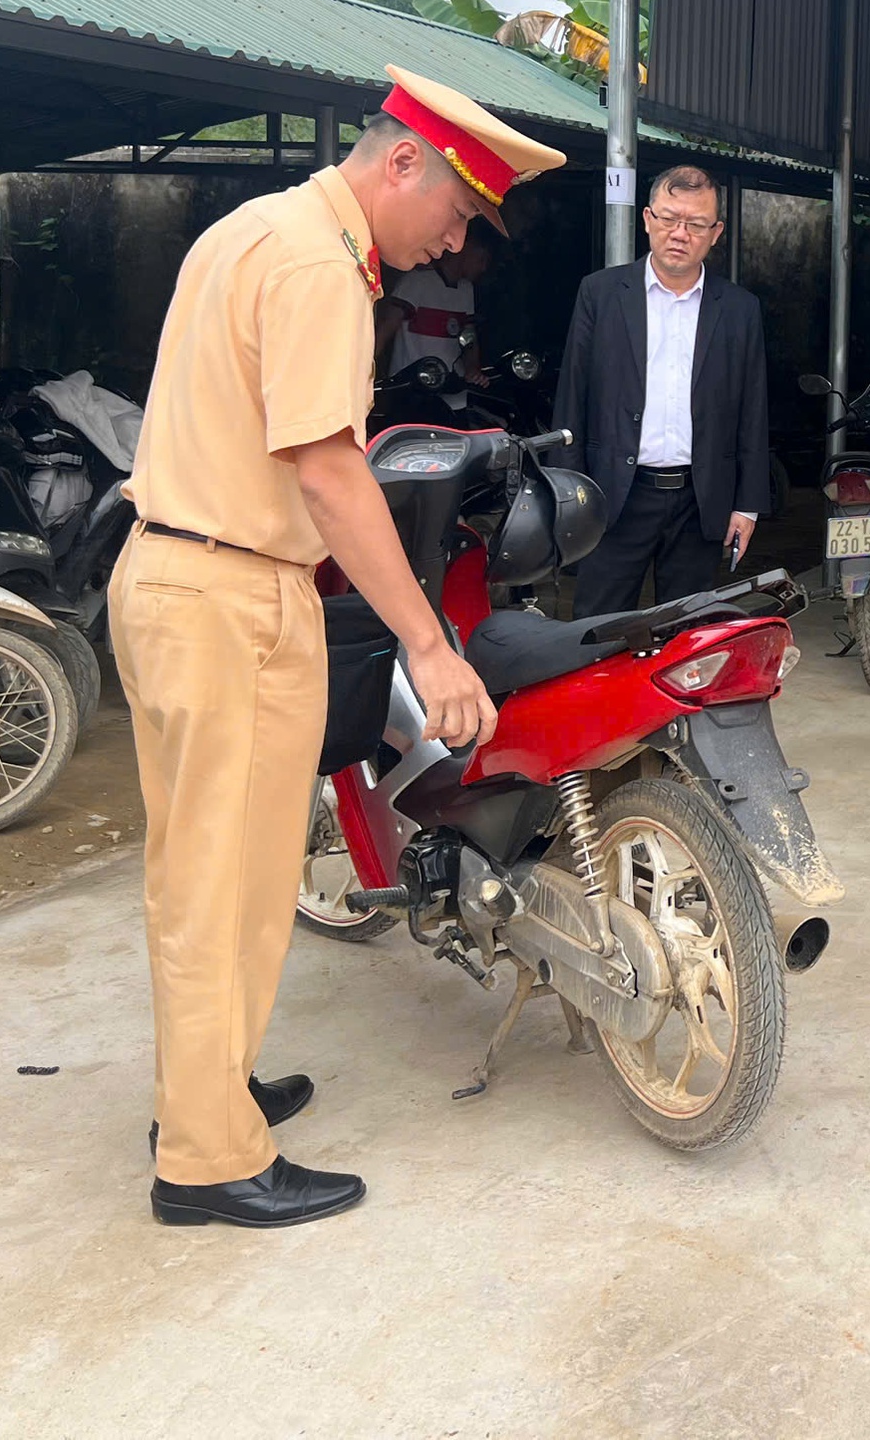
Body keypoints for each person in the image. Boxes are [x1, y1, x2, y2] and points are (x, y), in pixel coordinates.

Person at [116, 63, 559, 1230]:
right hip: (228, 594)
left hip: (177, 573)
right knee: (229, 883)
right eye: (457, 213)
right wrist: (431, 643)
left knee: (209, 871)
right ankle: (206, 1160)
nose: (450, 241)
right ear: (402, 160)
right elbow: (326, 469)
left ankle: (204, 1094)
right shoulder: (317, 264)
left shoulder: (254, 227)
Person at [554, 165, 771, 617]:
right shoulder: (601, 293)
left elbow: (753, 411)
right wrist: (570, 497)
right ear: (648, 219)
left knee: (685, 642)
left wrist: (747, 505)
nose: (680, 234)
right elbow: (571, 401)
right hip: (614, 495)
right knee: (597, 633)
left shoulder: (739, 310)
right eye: (670, 219)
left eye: (695, 224)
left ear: (716, 233)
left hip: (700, 500)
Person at [375, 215, 492, 396]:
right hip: (409, 389)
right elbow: (384, 330)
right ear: (465, 250)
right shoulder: (416, 281)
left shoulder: (466, 290)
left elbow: (469, 338)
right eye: (482, 258)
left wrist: (472, 369)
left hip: (453, 391)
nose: (483, 268)